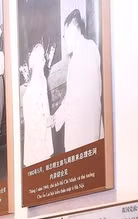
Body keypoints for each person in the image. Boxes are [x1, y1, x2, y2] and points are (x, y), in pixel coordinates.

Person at [53, 8, 103, 152]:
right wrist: (57, 117)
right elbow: (73, 96)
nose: (64, 40)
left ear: (74, 28)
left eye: (65, 34)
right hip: (84, 130)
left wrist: (56, 118)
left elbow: (79, 99)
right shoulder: (86, 50)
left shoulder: (84, 52)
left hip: (84, 134)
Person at [23, 44, 55, 166]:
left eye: (44, 56)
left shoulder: (43, 80)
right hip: (36, 136)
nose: (44, 60)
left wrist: (49, 118)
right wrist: (44, 122)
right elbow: (31, 117)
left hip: (44, 133)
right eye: (42, 57)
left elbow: (45, 108)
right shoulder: (32, 87)